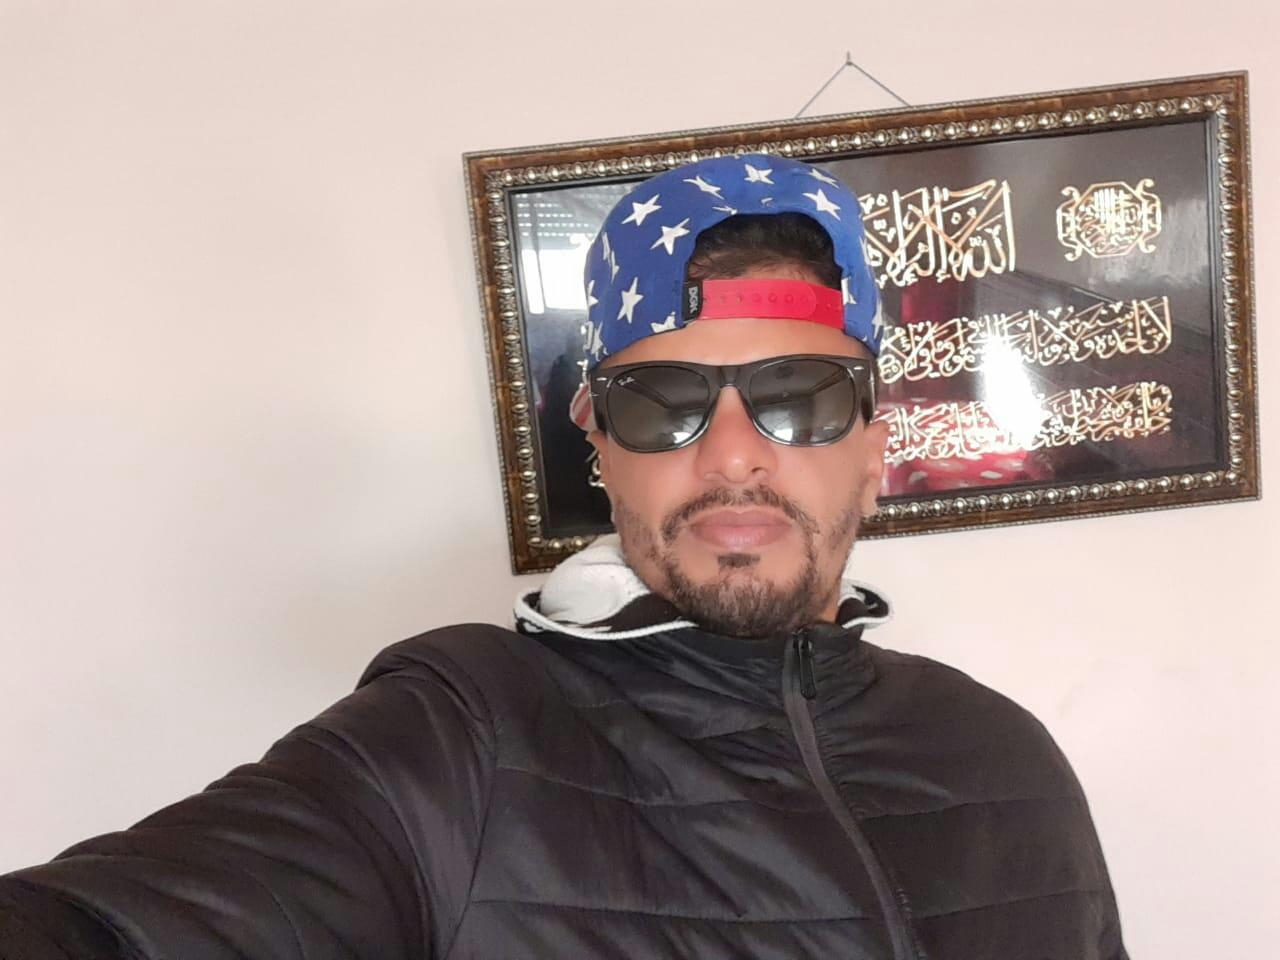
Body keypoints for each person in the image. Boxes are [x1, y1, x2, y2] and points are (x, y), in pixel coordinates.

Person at [0, 154, 1127, 959]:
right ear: (600, 445)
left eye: (800, 396)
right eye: (663, 402)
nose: (732, 454)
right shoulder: (460, 735)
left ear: (875, 449)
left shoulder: (1002, 757)